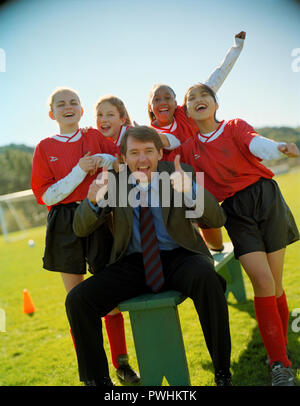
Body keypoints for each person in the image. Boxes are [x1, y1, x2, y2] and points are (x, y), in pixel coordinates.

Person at [66, 125, 232, 386]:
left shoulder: (181, 174)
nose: (142, 159)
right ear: (123, 157)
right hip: (133, 263)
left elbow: (216, 218)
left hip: (181, 255)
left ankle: (222, 372)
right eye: (134, 153)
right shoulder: (115, 182)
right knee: (78, 300)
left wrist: (191, 191)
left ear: (159, 154)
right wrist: (93, 201)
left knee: (208, 279)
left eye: (148, 152)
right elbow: (80, 227)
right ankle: (97, 381)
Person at [176, 82, 300, 386]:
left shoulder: (234, 126)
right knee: (262, 281)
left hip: (267, 199)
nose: (198, 100)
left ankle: (277, 349)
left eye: (204, 95)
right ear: (188, 112)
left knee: (275, 284)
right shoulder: (188, 149)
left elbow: (255, 142)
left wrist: (278, 148)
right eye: (192, 99)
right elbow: (194, 191)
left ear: (216, 104)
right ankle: (280, 367)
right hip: (234, 211)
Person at [31, 87, 140, 384]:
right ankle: (93, 375)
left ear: (81, 110)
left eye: (74, 102)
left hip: (98, 215)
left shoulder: (93, 136)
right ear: (52, 113)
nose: (68, 107)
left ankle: (122, 363)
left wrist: (104, 165)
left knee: (110, 299)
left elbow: (119, 160)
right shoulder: (44, 147)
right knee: (76, 300)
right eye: (61, 104)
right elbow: (46, 196)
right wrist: (80, 171)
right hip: (64, 223)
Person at [147, 31, 246, 252]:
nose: (163, 102)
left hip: (212, 174)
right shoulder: (149, 134)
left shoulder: (187, 113)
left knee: (225, 233)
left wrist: (236, 48)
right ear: (150, 106)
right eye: (157, 99)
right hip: (185, 189)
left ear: (176, 101)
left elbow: (216, 79)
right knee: (213, 246)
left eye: (168, 97)